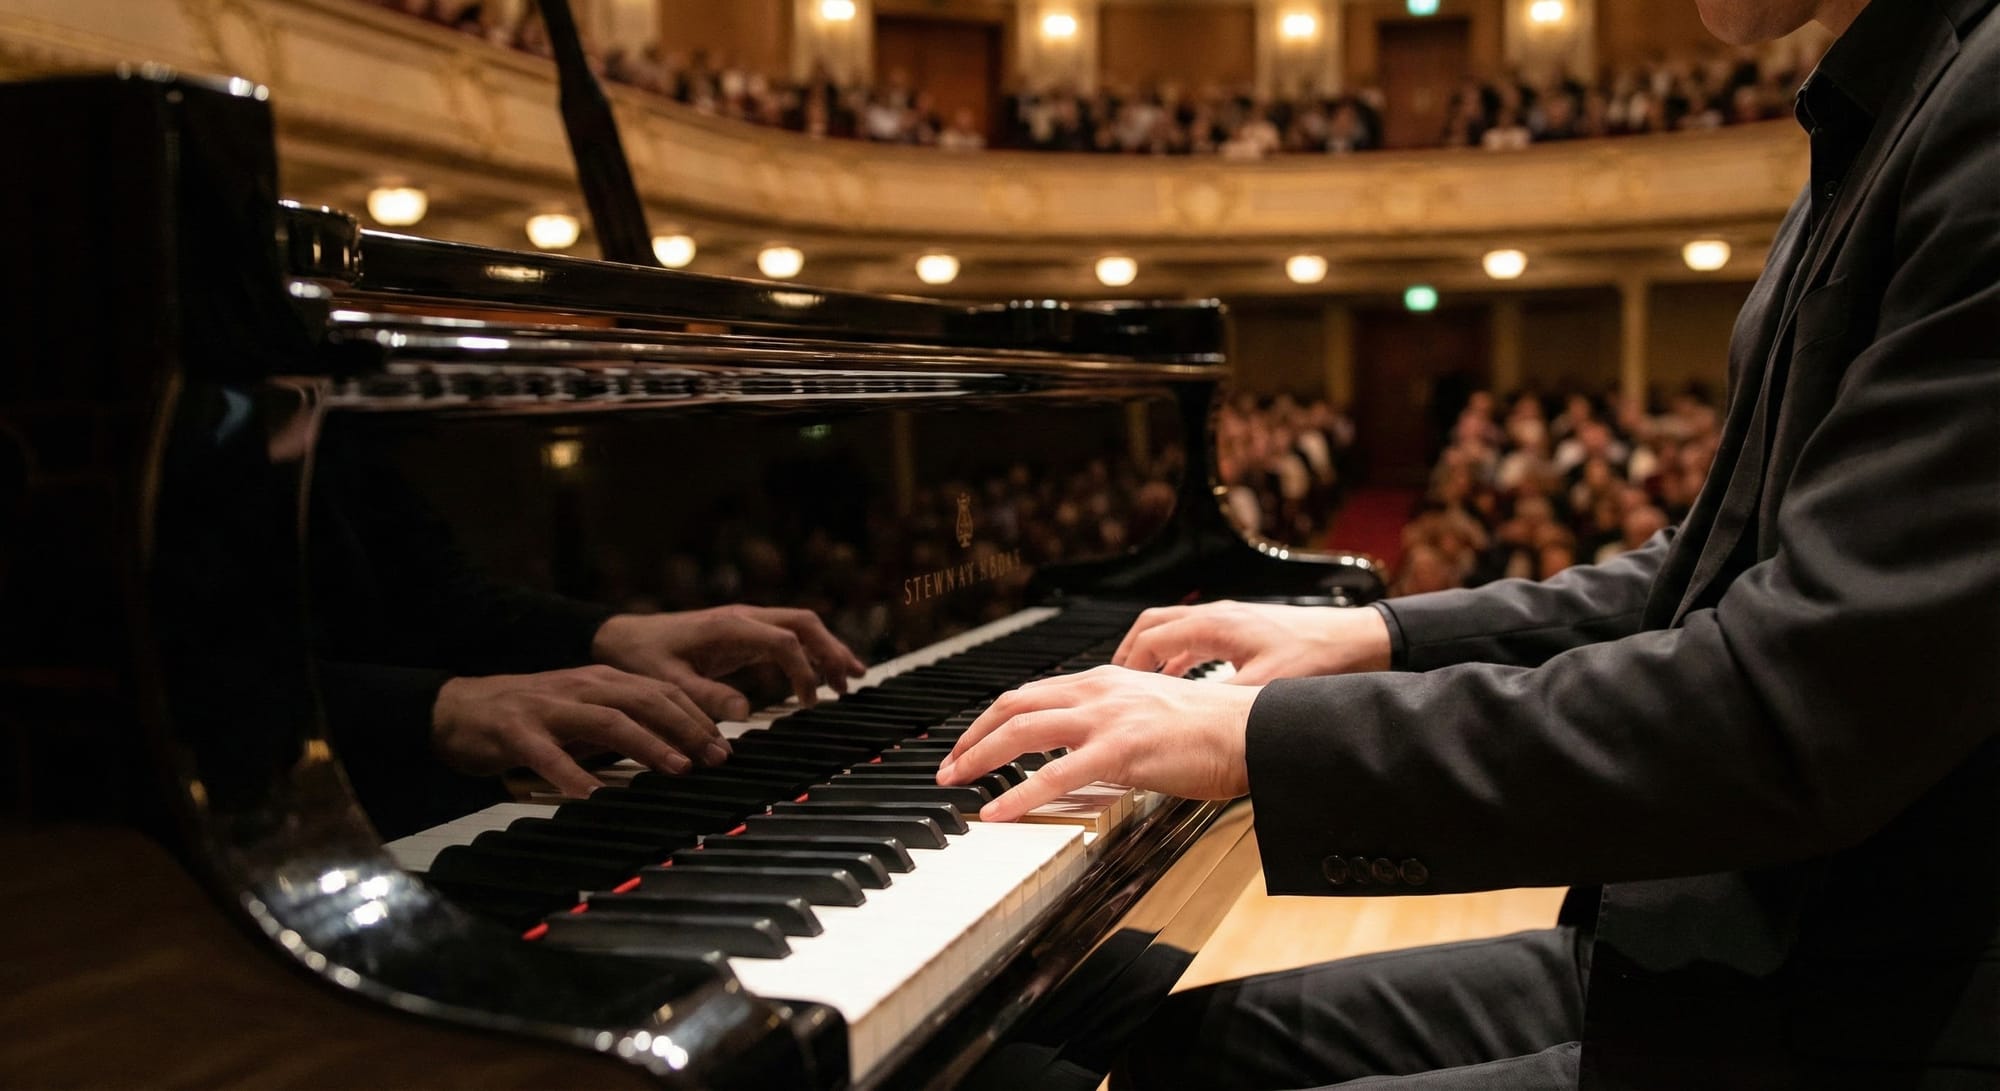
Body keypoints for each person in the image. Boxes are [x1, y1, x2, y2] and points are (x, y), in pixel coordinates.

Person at [938, 0, 1999, 1084]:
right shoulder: (1876, 109)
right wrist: (1376, 638)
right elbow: (1706, 577)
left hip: (1865, 1006)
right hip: (1732, 938)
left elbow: (1794, 704)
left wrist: (1264, 736)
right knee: (1137, 1033)